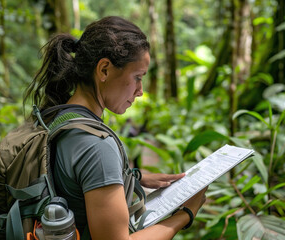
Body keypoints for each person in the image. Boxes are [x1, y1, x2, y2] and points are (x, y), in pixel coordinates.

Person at [24, 16, 206, 239]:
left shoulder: (58, 116)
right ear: (104, 70)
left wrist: (130, 178)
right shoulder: (95, 145)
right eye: (137, 77)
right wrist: (186, 213)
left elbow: (70, 181)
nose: (140, 90)